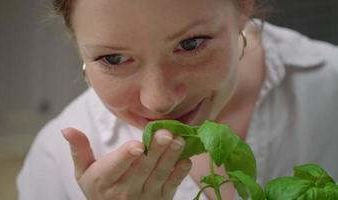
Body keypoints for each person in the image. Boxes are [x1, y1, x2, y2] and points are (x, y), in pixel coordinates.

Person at [17, 0, 338, 199]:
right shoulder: (53, 162)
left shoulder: (329, 86)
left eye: (191, 43)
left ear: (243, 6)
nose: (158, 102)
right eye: (114, 59)